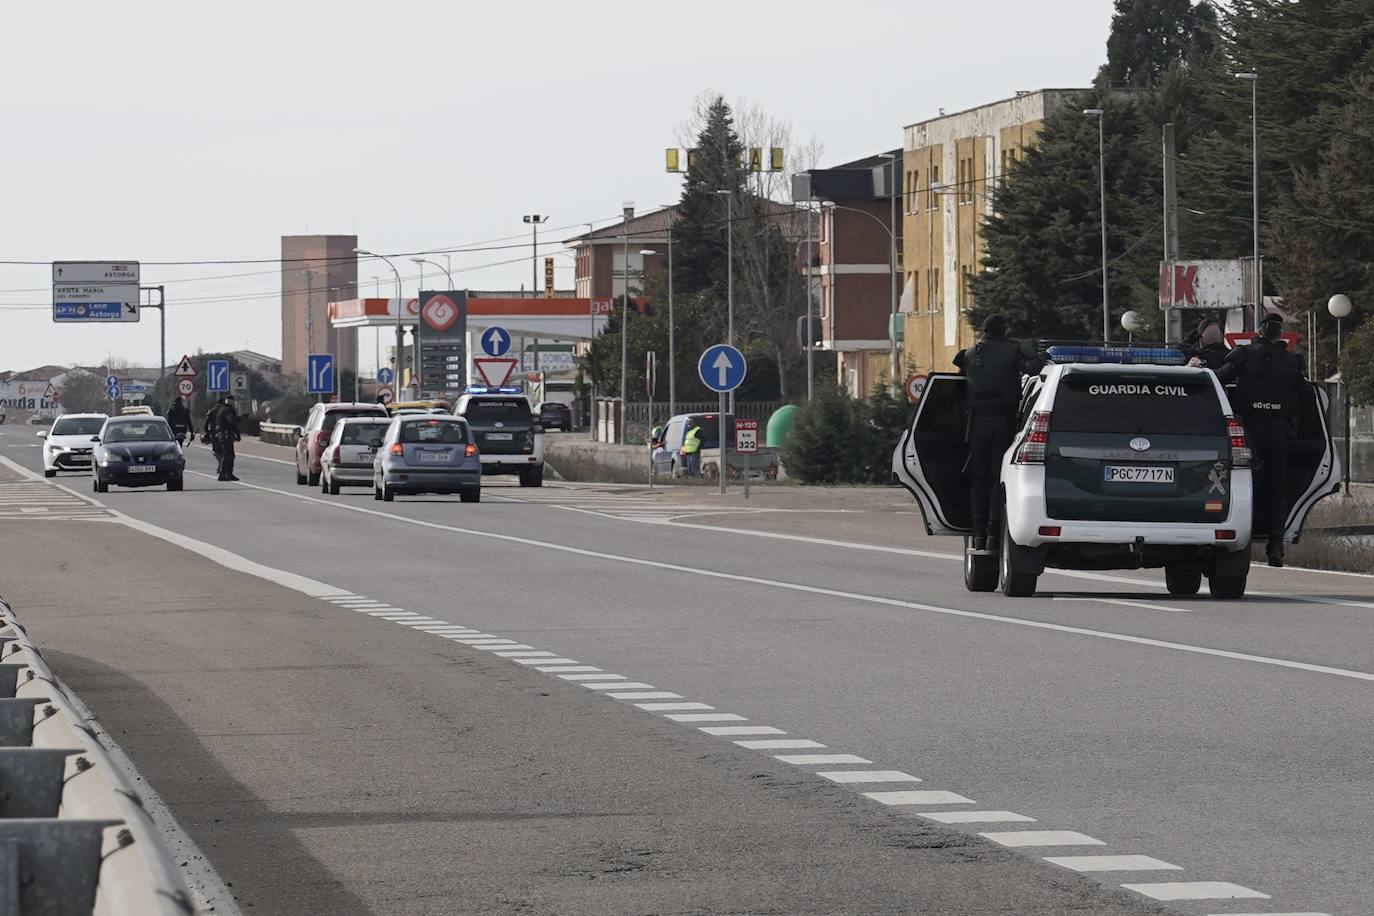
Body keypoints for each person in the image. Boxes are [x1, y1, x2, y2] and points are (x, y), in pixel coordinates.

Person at [1216, 311, 1305, 567]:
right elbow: (1307, 399)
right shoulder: (1291, 362)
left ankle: (1243, 541)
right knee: (1276, 486)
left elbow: (1218, 378)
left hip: (1248, 431)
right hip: (1278, 432)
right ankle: (1275, 543)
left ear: (1260, 330)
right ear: (1280, 334)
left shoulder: (1244, 355)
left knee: (1246, 484)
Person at [953, 314, 1043, 551]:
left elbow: (960, 389)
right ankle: (994, 535)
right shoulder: (1012, 352)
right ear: (1003, 329)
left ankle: (978, 535)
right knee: (997, 480)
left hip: (976, 427)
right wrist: (1036, 353)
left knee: (979, 481)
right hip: (1003, 424)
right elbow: (1034, 369)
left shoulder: (969, 355)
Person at [212, 395, 242, 482]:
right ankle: (224, 473)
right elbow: (231, 422)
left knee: (228, 454)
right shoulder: (228, 410)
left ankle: (227, 473)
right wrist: (237, 433)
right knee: (228, 455)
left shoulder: (221, 409)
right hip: (226, 434)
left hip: (221, 434)